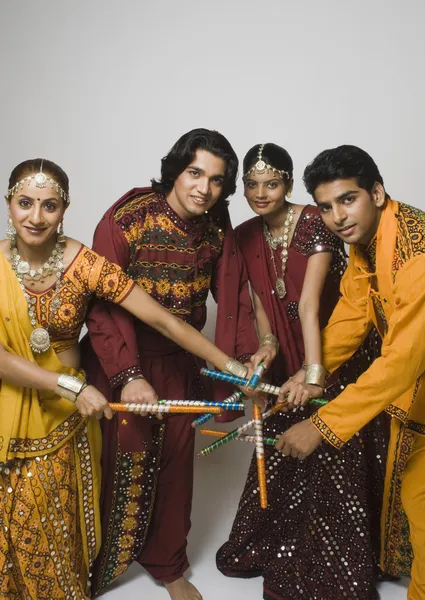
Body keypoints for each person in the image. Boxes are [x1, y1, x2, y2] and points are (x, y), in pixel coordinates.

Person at [0, 157, 253, 600]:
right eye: (25, 203)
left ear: (65, 209)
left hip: (62, 417)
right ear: (8, 205)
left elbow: (167, 322)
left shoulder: (84, 264)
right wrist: (77, 385)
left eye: (50, 206)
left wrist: (232, 368)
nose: (36, 217)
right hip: (24, 402)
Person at [83, 129, 268, 600]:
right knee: (116, 458)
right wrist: (128, 377)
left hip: (180, 363)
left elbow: (231, 298)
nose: (203, 188)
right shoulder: (127, 218)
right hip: (118, 360)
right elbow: (102, 306)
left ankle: (167, 565)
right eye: (195, 173)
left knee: (175, 465)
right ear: (175, 170)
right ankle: (93, 565)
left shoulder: (214, 226)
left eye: (217, 180)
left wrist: (241, 365)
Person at [277, 145, 425, 599]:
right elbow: (354, 314)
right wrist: (311, 373)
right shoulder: (369, 242)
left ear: (376, 193)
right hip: (424, 379)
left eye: (348, 199)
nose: (338, 216)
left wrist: (322, 424)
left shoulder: (424, 257)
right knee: (419, 498)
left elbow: (401, 360)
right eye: (325, 206)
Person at [216, 143, 390, 600]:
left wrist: (317, 372)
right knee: (281, 443)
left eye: (271, 183)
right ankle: (284, 544)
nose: (260, 193)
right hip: (292, 354)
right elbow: (258, 302)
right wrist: (268, 344)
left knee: (335, 449)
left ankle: (341, 560)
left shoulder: (315, 221)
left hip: (336, 349)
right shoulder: (246, 233)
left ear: (289, 184)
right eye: (251, 185)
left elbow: (311, 303)